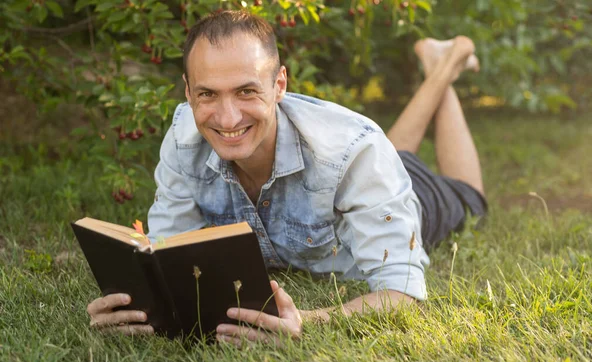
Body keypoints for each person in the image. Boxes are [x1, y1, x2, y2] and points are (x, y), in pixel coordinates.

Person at [86, 10, 486, 344]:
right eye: (208, 94)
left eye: (246, 92)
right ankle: (439, 66)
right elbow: (170, 251)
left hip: (410, 197)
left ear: (279, 84)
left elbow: (404, 294)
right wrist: (142, 306)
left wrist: (305, 319)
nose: (227, 119)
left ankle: (447, 63)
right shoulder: (184, 138)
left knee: (470, 196)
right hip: (372, 167)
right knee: (395, 153)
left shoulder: (356, 153)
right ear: (188, 92)